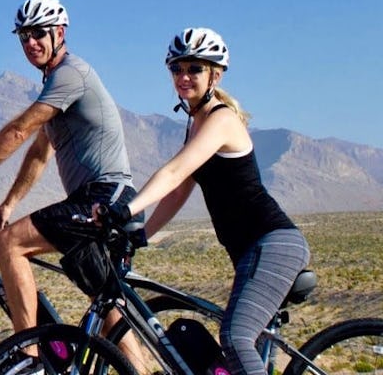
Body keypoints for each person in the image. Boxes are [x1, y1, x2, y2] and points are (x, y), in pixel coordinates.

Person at [0, 0, 147, 370]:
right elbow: (38, 152)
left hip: (102, 196)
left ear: (59, 32)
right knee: (107, 309)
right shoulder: (56, 83)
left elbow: (20, 130)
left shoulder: (70, 74)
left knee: (11, 242)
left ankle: (29, 356)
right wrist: (9, 204)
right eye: (23, 36)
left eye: (39, 33)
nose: (30, 43)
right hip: (102, 198)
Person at [96, 27, 312, 375]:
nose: (184, 77)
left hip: (271, 242)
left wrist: (125, 209)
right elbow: (180, 191)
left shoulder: (221, 119)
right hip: (248, 250)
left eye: (194, 69)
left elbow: (173, 172)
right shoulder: (195, 124)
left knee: (235, 337)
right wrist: (142, 235)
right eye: (177, 69)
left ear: (215, 74)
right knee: (242, 356)